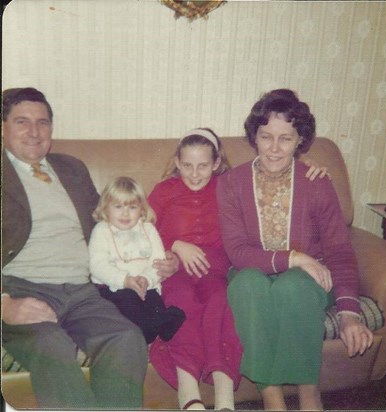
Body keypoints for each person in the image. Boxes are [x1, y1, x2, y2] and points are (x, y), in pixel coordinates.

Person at [216, 89, 374, 410]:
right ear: (254, 137)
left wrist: (348, 313)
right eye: (266, 137)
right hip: (252, 271)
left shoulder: (316, 181)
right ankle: (270, 392)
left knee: (293, 287)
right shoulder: (231, 183)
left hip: (306, 281)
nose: (274, 149)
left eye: (285, 139)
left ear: (300, 140)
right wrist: (292, 257)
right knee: (246, 283)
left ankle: (308, 391)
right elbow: (237, 251)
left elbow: (339, 250)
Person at [2, 87, 159, 409]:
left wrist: (157, 255)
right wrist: (4, 305)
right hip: (23, 289)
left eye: (42, 123)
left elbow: (113, 222)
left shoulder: (72, 168)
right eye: (21, 122)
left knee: (126, 338)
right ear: (3, 127)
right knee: (52, 344)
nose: (34, 132)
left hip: (82, 291)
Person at [147, 128, 243, 410]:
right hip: (175, 272)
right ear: (177, 162)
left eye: (203, 165)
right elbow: (142, 231)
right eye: (187, 165)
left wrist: (307, 165)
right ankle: (189, 398)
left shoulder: (227, 187)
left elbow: (263, 175)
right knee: (182, 305)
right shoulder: (164, 191)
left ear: (216, 163)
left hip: (215, 272)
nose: (195, 173)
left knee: (220, 304)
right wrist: (176, 244)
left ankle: (226, 400)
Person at [89, 176, 185, 344]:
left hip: (146, 286)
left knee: (153, 302)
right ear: (106, 208)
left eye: (132, 207)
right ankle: (154, 327)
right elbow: (97, 265)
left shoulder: (148, 229)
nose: (125, 213)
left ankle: (158, 322)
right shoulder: (102, 230)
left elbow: (159, 261)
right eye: (118, 207)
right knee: (129, 305)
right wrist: (125, 280)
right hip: (114, 288)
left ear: (141, 209)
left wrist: (147, 279)